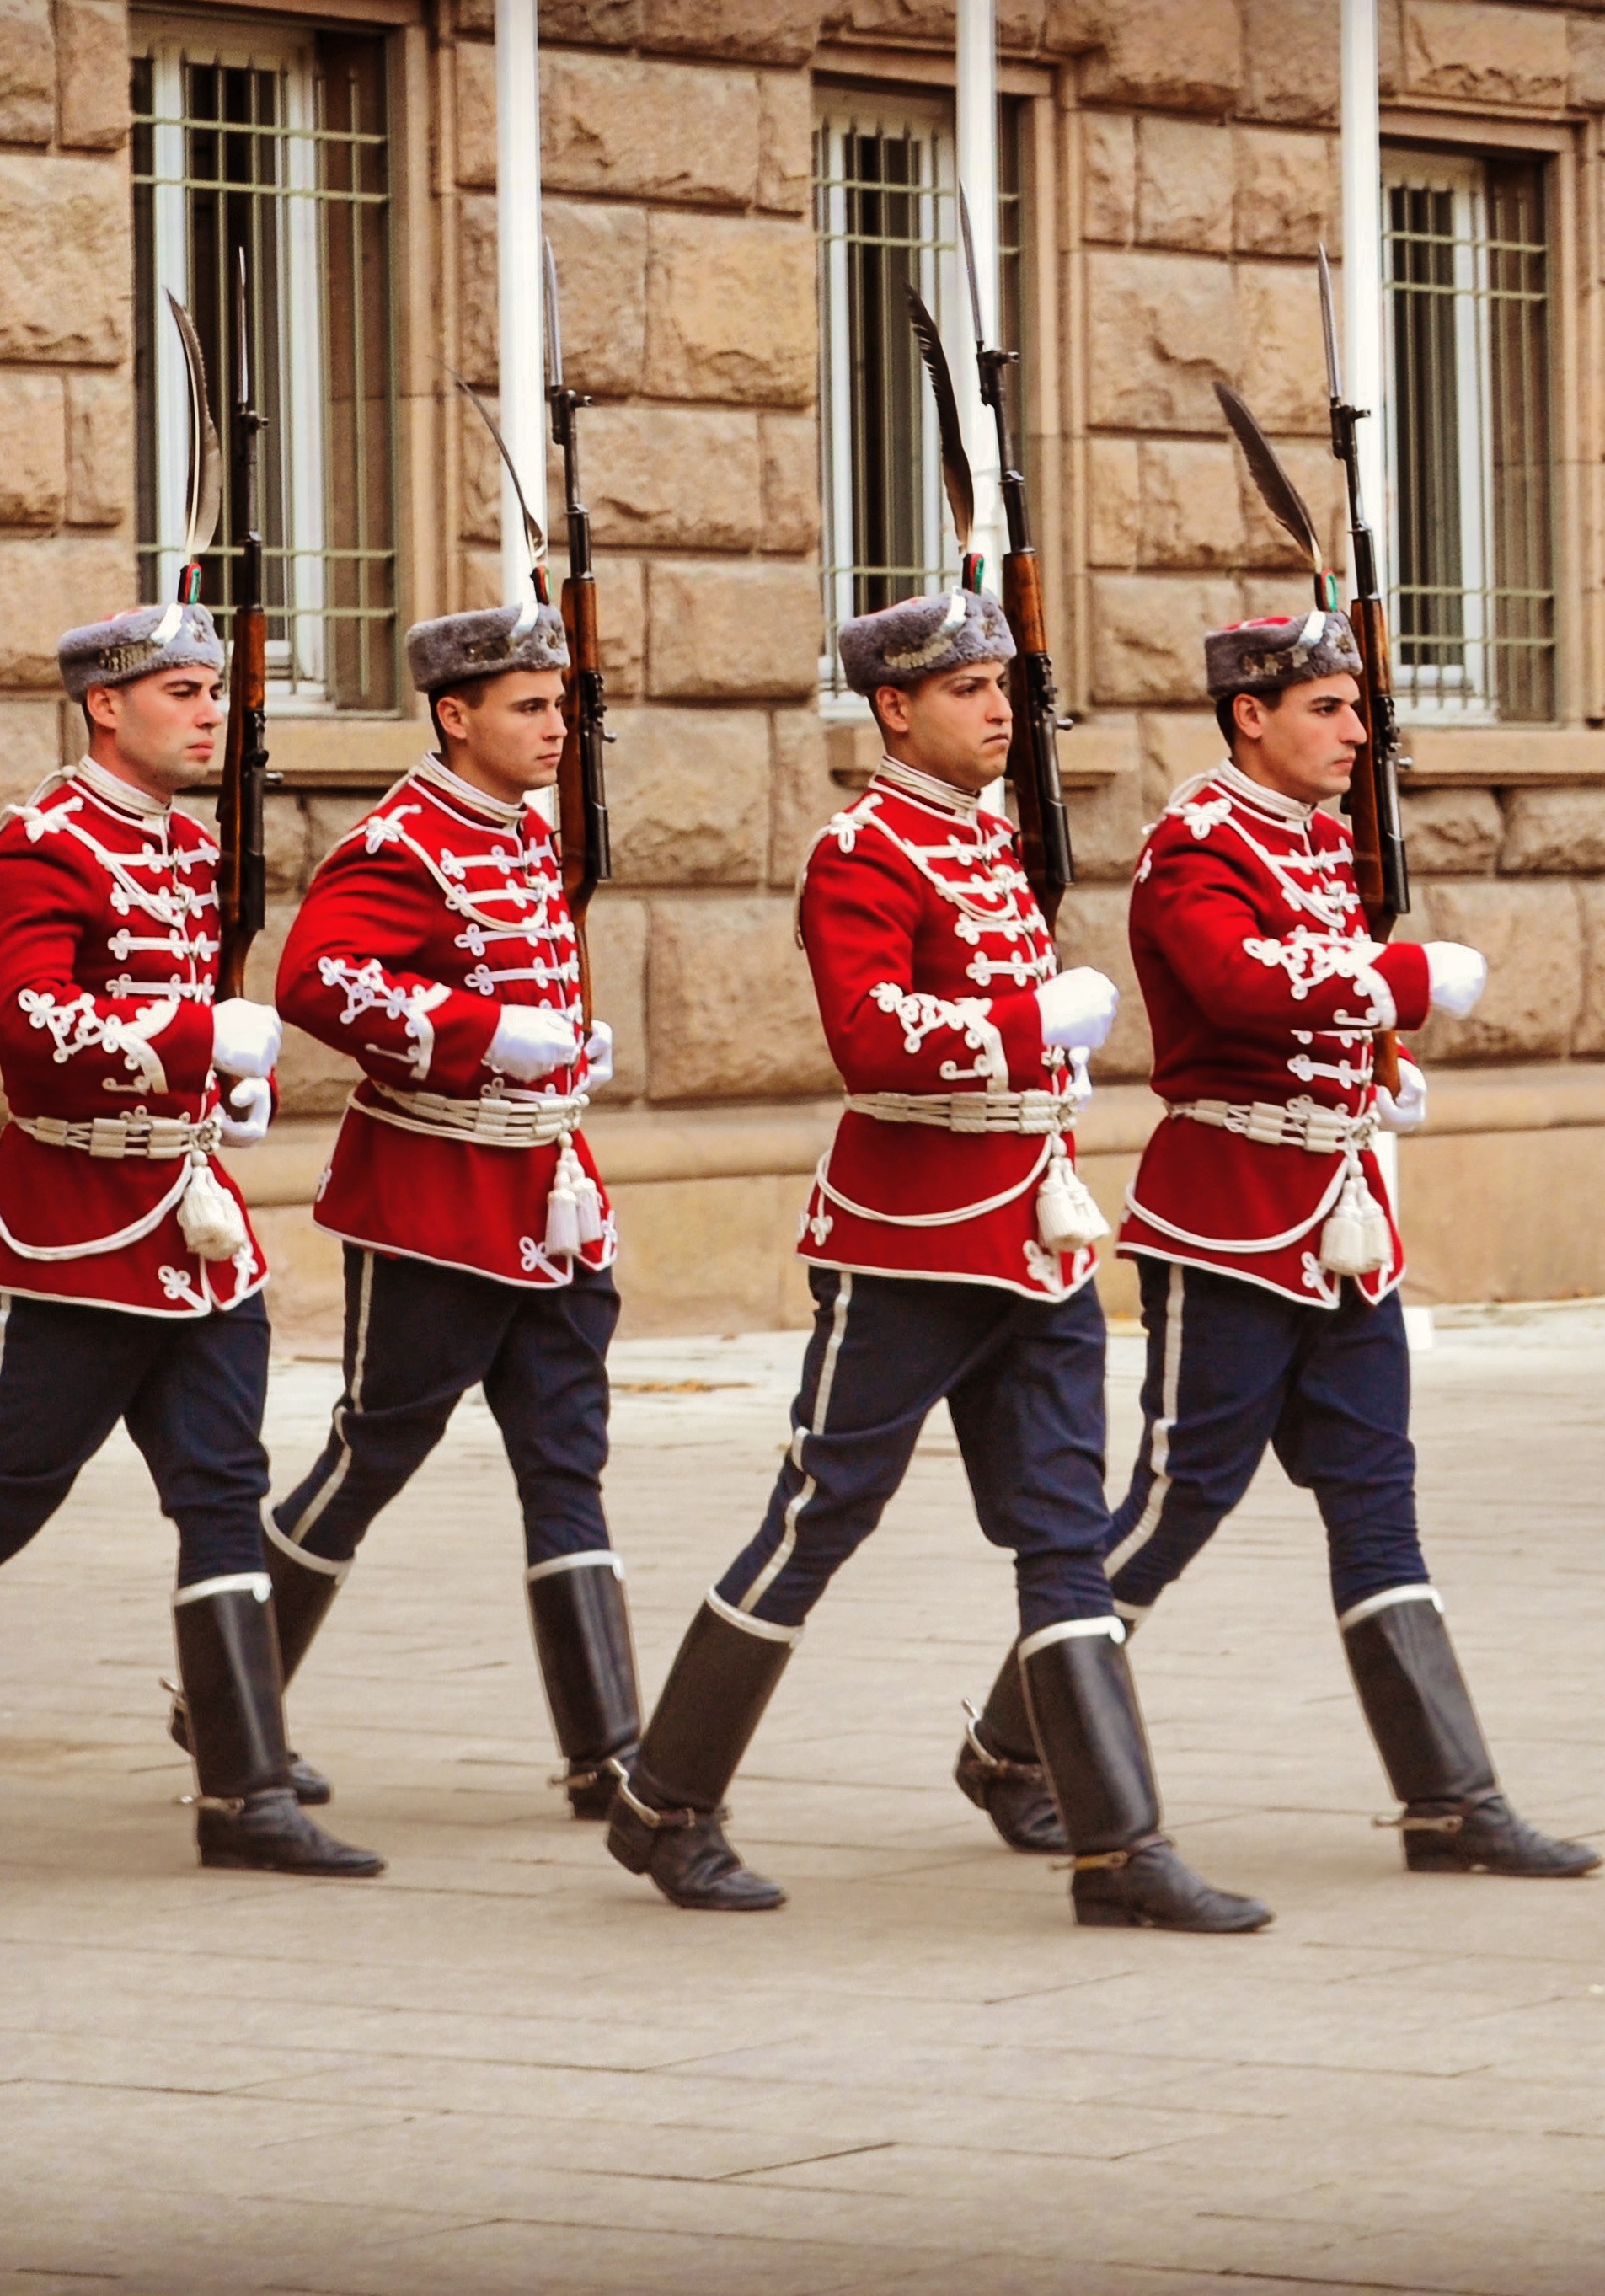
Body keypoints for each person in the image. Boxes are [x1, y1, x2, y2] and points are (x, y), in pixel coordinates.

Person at [600, 588, 1268, 1933]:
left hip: (1034, 1228)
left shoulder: (992, 840)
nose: (996, 710)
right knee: (818, 1517)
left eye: (1003, 687)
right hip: (909, 1242)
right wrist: (1028, 1017)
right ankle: (665, 1800)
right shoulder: (864, 852)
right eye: (967, 690)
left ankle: (1119, 1850)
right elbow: (870, 1037)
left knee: (1066, 1536)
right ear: (894, 707)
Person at [945, 613, 1596, 1882]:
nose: (1357, 733)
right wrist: (1399, 983)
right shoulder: (1196, 841)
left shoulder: (1327, 842)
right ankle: (1017, 1745)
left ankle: (1452, 1802)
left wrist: (1379, 1067)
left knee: (1379, 1501)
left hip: (1343, 1218)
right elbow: (1241, 984)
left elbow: (1321, 984)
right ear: (1252, 715)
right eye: (1329, 709)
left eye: (1359, 711)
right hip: (1232, 1215)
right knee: (1182, 1498)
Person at [0, 603, 377, 1880]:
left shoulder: (186, 849)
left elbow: (167, 1024)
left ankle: (245, 1795)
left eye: (215, 691)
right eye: (185, 691)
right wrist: (209, 1039)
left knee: (223, 1498)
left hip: (194, 1236)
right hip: (72, 1242)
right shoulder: (37, 850)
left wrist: (226, 1097)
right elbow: (33, 1023)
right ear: (107, 704)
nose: (213, 713)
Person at [210, 602, 636, 1819]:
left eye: (558, 704)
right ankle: (228, 1700)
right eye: (529, 706)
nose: (557, 726)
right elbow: (317, 980)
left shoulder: (517, 836)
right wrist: (486, 1033)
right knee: (371, 1454)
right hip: (436, 1205)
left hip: (550, 1200)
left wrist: (562, 1052)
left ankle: (608, 1747)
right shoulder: (406, 841)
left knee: (568, 1464)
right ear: (457, 716)